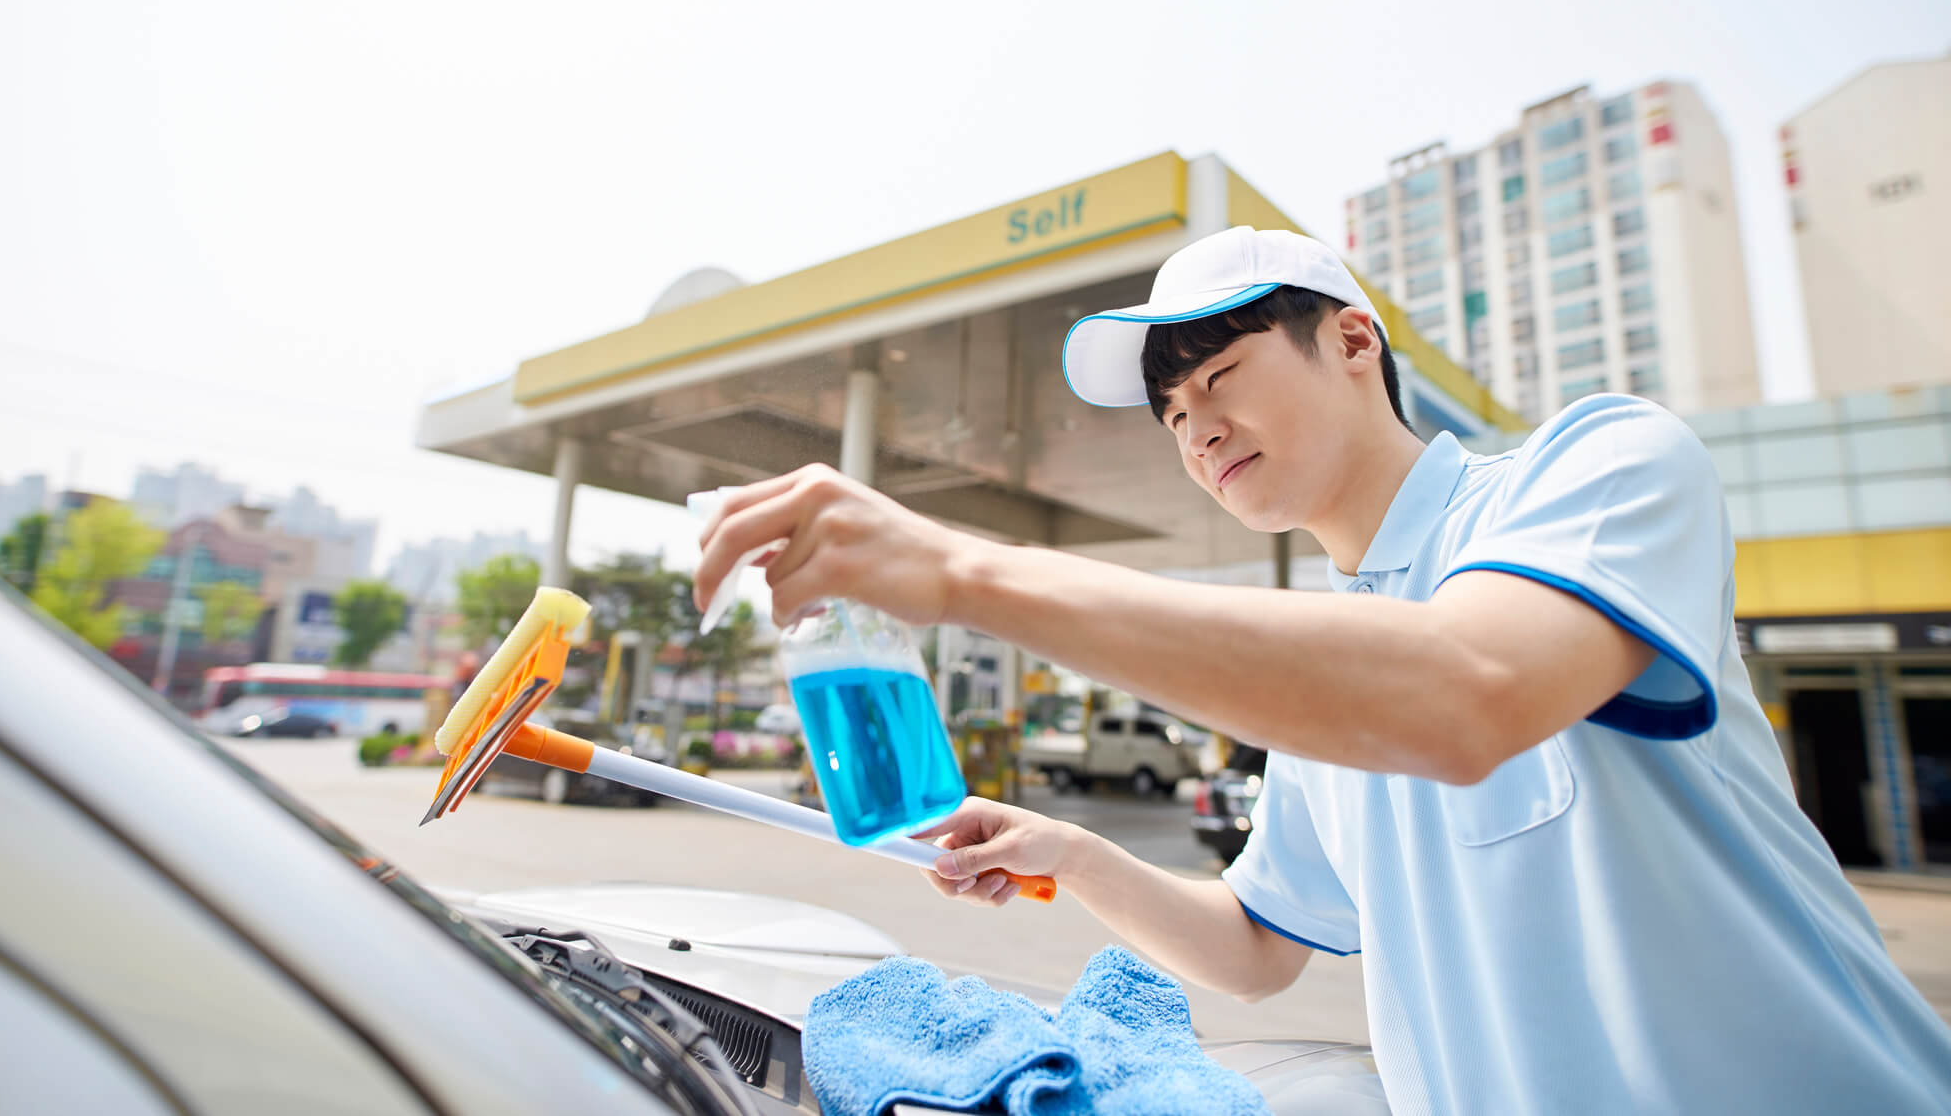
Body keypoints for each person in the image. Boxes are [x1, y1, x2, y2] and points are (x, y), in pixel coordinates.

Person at [697, 225, 1951, 1114]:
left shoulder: (1599, 467)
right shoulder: (1323, 693)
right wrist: (1072, 854)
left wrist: (964, 571)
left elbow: (1468, 690)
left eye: (1221, 375)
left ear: (1351, 339)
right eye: (1173, 409)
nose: (1195, 426)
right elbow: (1254, 947)